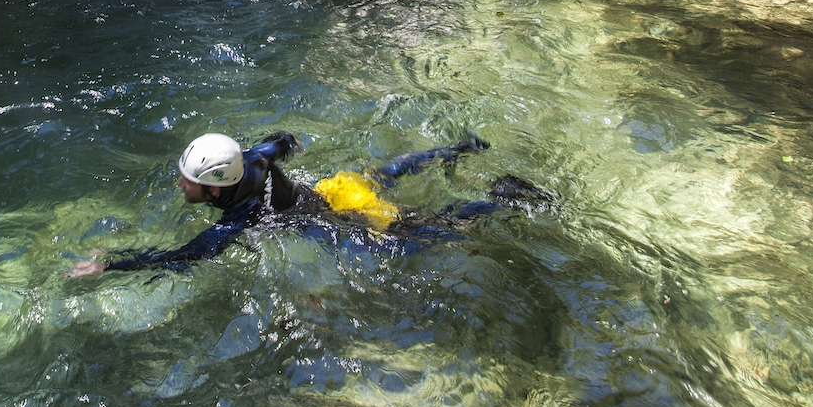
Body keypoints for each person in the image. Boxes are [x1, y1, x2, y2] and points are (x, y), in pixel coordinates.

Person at [69, 130, 549, 276]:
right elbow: (278, 142)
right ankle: (458, 148)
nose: (179, 183)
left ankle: (499, 200)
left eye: (188, 180)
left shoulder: (243, 216)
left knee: (418, 236)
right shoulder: (249, 160)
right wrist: (289, 144)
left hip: (337, 214)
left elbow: (186, 256)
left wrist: (111, 265)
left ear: (214, 191)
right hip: (331, 187)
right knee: (385, 172)